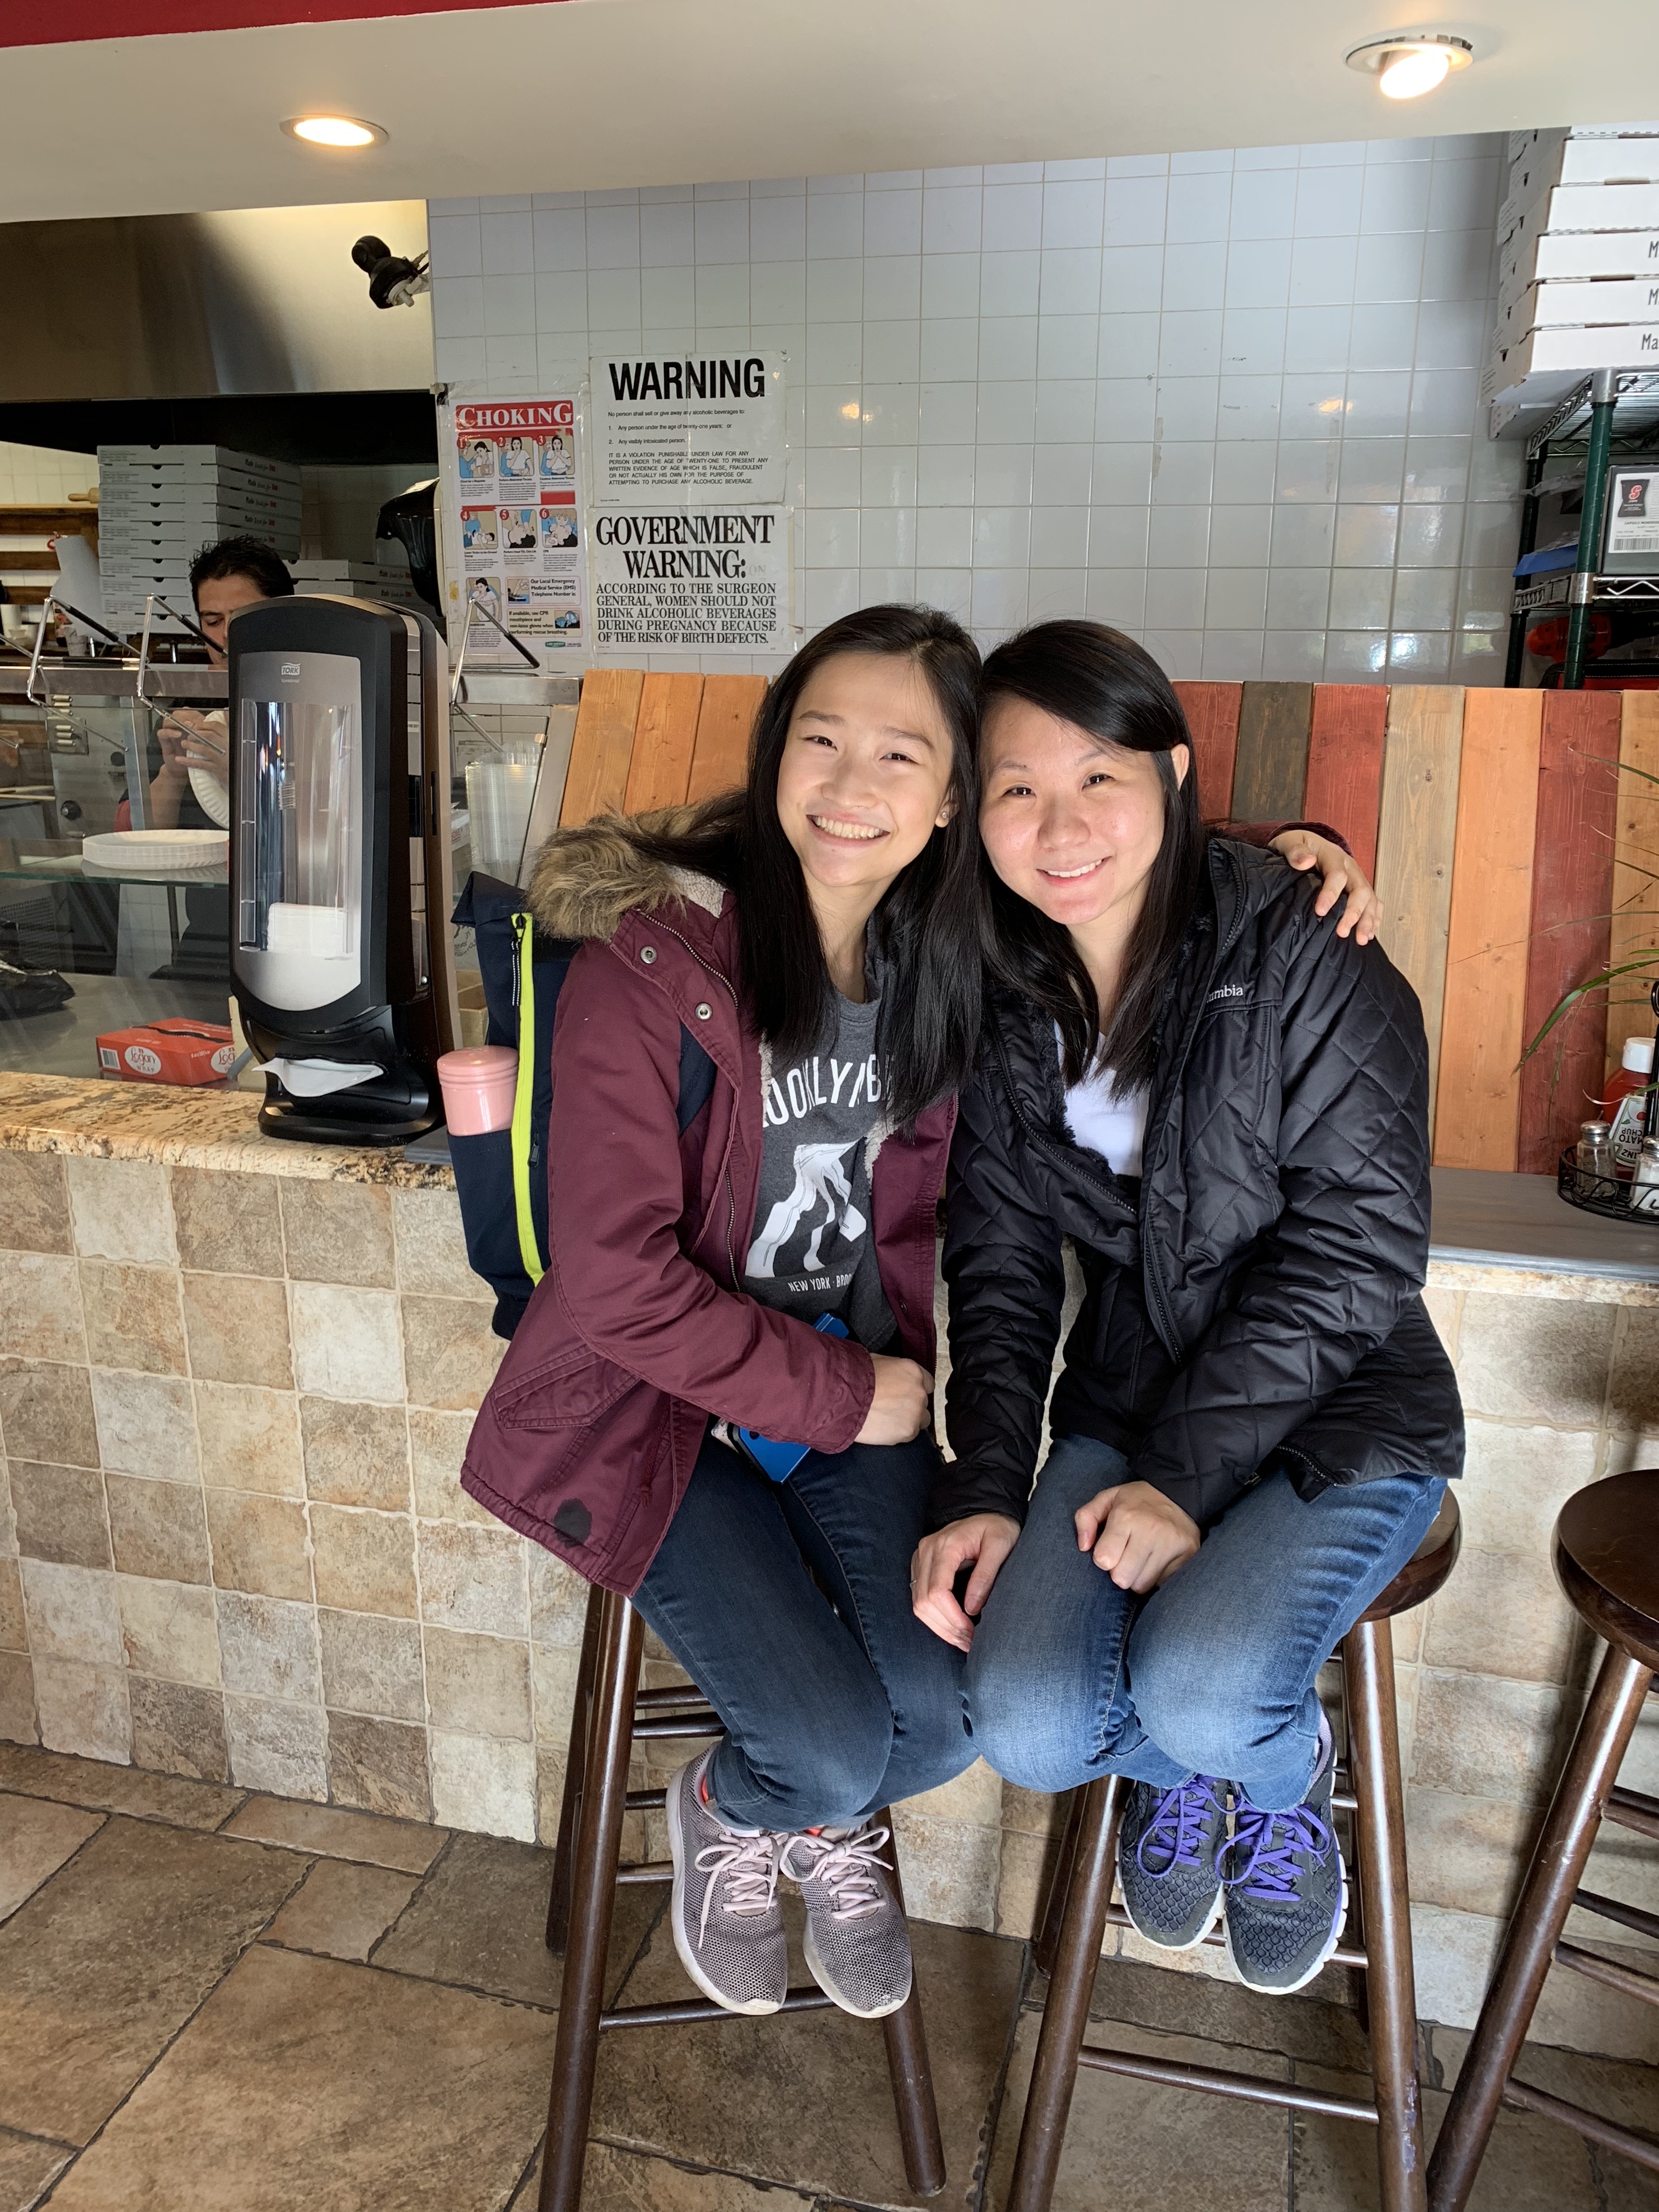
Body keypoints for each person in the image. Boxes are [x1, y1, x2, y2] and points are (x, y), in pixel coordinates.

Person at [461, 604, 1376, 2027]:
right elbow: (612, 1282)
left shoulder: (943, 968)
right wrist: (855, 1400)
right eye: (820, 741)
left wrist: (1291, 853)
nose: (851, 786)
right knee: (827, 1751)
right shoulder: (652, 965)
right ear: (774, 757)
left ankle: (829, 1809)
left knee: (955, 1715)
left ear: (952, 799)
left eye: (904, 755)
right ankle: (756, 1804)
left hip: (845, 1397)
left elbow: (1103, 830)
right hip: (662, 1420)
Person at [912, 620, 1462, 1999]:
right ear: (975, 816)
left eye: (1098, 776)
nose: (1060, 824)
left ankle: (1275, 1775)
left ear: (1172, 770)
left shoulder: (1304, 939)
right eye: (1016, 789)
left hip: (1346, 1411)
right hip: (1132, 1399)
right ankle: (1208, 1761)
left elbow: (1361, 1244)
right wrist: (985, 1481)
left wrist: (1177, 1479)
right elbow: (998, 1255)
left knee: (1209, 1690)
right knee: (1027, 1724)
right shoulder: (1003, 991)